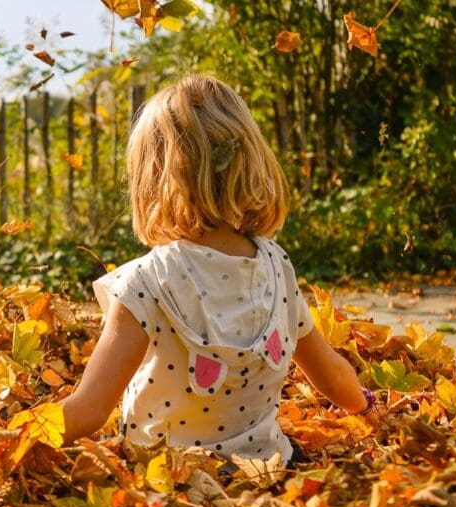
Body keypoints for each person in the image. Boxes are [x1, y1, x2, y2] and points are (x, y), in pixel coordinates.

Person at [59, 74, 381, 464]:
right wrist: (366, 407)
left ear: (156, 175)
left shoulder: (144, 282)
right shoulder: (276, 266)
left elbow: (89, 410)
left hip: (166, 481)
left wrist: (7, 439)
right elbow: (331, 374)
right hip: (266, 468)